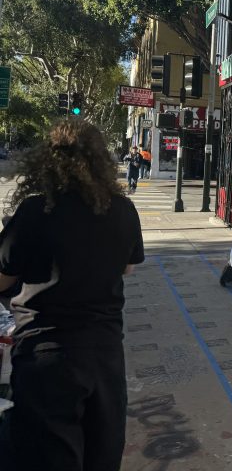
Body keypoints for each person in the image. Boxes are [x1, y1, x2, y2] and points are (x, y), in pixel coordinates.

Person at [0, 120, 145, 471]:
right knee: (101, 455)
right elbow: (128, 268)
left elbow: (2, 279)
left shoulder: (36, 211)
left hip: (46, 356)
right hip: (105, 356)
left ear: (49, 160)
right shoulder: (123, 210)